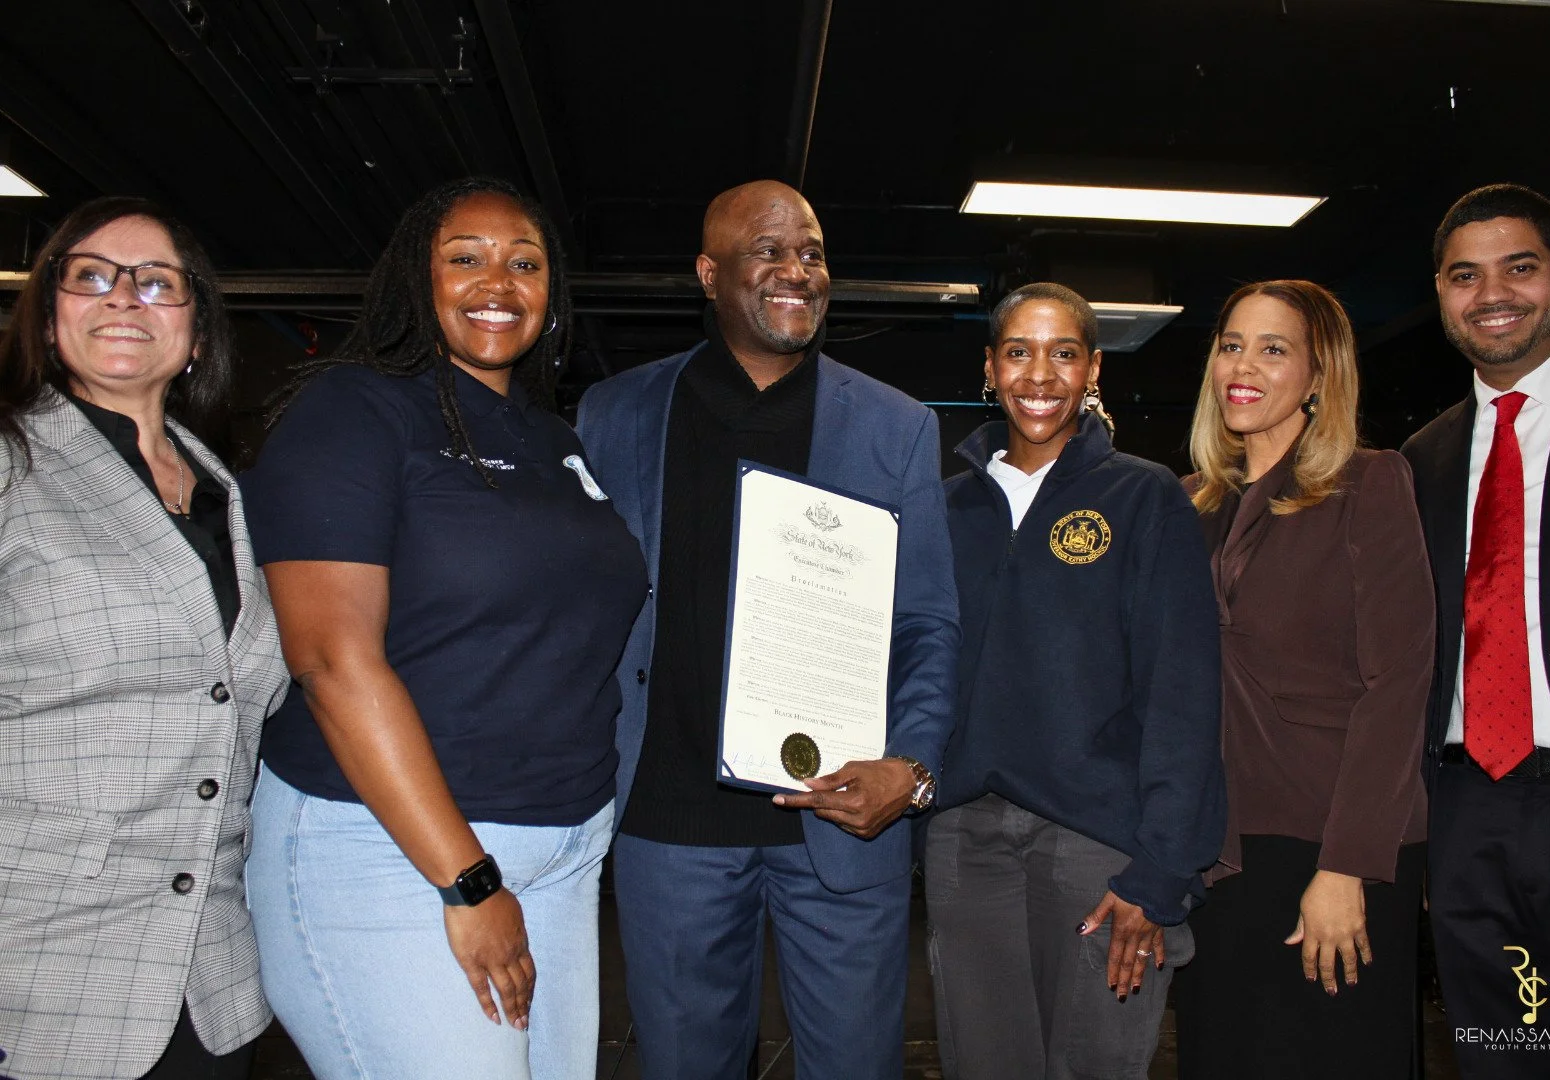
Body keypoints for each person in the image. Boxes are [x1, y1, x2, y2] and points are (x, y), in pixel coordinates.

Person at [241, 177, 647, 1080]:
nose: (496, 282)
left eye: (525, 262)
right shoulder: (353, 411)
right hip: (397, 850)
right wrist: (467, 875)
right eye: (464, 258)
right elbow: (331, 660)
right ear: (415, 280)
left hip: (563, 850)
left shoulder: (556, 441)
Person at [575, 179, 958, 1080]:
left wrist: (909, 765)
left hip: (842, 817)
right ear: (710, 274)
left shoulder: (897, 428)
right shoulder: (615, 415)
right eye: (769, 251)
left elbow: (930, 625)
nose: (797, 270)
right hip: (668, 827)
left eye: (814, 253)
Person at [0, 197, 288, 1080]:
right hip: (40, 964)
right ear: (49, 320)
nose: (125, 297)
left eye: (158, 283)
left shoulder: (226, 494)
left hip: (213, 976)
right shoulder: (12, 465)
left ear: (196, 333)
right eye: (91, 277)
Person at [925, 282, 1224, 1080]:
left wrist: (1160, 874)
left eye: (1064, 354)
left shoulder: (1144, 495)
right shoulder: (942, 509)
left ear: (1093, 369)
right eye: (1019, 352)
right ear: (989, 368)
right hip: (967, 839)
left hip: (1100, 846)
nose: (1040, 375)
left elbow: (1183, 694)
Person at [1173, 280, 1434, 1078]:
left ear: (1320, 377)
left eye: (1272, 348)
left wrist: (1346, 865)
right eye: (1230, 345)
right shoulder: (1186, 503)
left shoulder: (1370, 482)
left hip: (1333, 840)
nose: (1241, 366)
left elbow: (1399, 683)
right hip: (1216, 849)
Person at [1402, 184, 1550, 1079]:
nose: (1492, 293)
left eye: (1519, 267)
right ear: (1443, 296)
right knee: (1511, 1053)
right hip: (1467, 814)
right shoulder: (1419, 459)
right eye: (1465, 276)